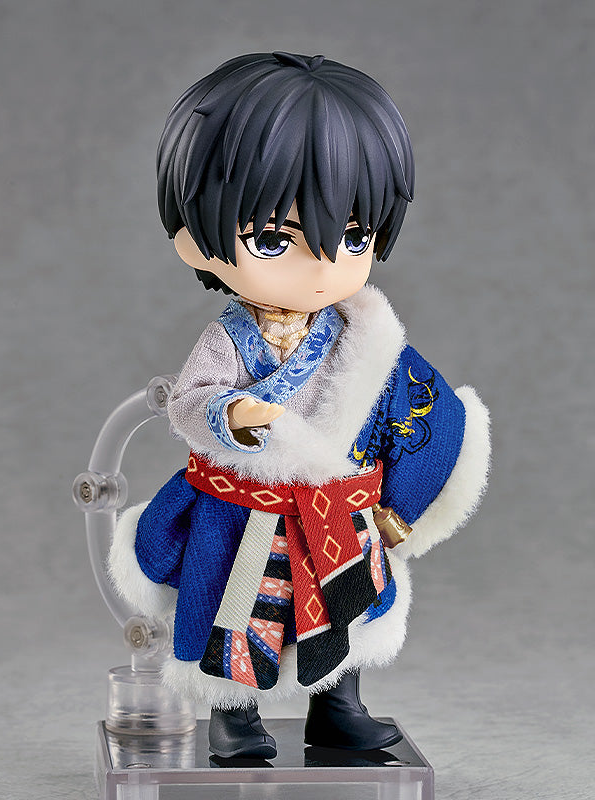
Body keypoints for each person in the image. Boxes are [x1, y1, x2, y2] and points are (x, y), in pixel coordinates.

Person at [109, 51, 490, 759]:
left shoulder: (367, 339)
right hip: (244, 508)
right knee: (233, 610)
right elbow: (190, 402)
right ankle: (235, 715)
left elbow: (425, 416)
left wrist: (398, 501)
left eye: (351, 236)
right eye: (272, 240)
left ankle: (338, 707)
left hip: (337, 511)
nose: (321, 264)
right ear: (196, 241)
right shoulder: (230, 338)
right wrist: (231, 416)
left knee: (348, 611)